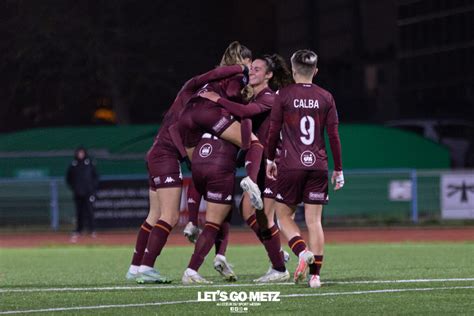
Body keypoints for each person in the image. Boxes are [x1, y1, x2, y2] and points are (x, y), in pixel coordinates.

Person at [126, 48, 248, 283]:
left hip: (157, 152)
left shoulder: (192, 100)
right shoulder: (192, 89)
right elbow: (210, 77)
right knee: (169, 216)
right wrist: (242, 68)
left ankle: (135, 267)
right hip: (166, 154)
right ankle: (147, 267)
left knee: (154, 215)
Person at [199, 54, 293, 282]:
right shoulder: (256, 98)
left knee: (263, 217)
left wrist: (216, 99)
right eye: (250, 69)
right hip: (261, 166)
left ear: (269, 75)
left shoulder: (270, 97)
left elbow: (244, 114)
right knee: (249, 211)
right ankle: (278, 259)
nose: (251, 72)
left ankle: (280, 267)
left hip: (274, 165)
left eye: (257, 69)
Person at [266, 49, 344, 288]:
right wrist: (338, 169)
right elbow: (333, 136)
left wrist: (270, 160)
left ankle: (301, 251)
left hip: (290, 164)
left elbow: (273, 130)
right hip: (318, 165)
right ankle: (315, 276)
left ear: (293, 70)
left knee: (283, 215)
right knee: (314, 222)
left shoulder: (284, 95)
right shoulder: (326, 97)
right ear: (315, 71)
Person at [172, 42, 265, 211]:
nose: (251, 68)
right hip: (208, 112)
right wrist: (239, 103)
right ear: (246, 60)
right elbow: (232, 92)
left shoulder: (215, 76)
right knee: (255, 143)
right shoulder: (240, 72)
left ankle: (192, 222)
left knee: (197, 169)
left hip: (186, 116)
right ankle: (251, 181)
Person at [181, 133, 239, 284]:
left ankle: (220, 255)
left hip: (199, 158)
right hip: (221, 162)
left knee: (224, 211)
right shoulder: (237, 116)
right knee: (212, 224)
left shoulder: (204, 115)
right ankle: (191, 270)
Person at [66, 146, 99, 242]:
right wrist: (74, 188)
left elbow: (95, 177)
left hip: (88, 192)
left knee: (90, 211)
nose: (80, 154)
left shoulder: (89, 163)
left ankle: (92, 229)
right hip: (77, 193)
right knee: (79, 212)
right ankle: (79, 230)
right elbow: (68, 178)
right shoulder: (73, 164)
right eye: (79, 153)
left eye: (82, 153)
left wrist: (92, 189)